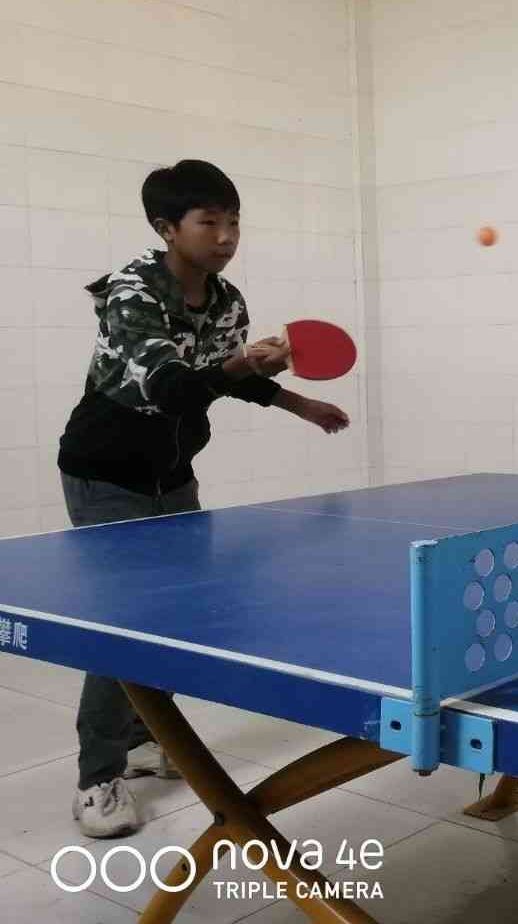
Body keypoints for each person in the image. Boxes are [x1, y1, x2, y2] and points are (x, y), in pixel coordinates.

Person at [57, 159, 351, 837]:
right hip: (105, 475)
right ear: (167, 228)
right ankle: (97, 777)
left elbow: (226, 378)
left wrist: (298, 403)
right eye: (209, 222)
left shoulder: (227, 301)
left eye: (234, 222)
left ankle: (142, 739)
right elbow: (172, 388)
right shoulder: (132, 293)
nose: (226, 236)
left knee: (171, 613)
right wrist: (241, 363)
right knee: (122, 623)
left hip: (173, 472)